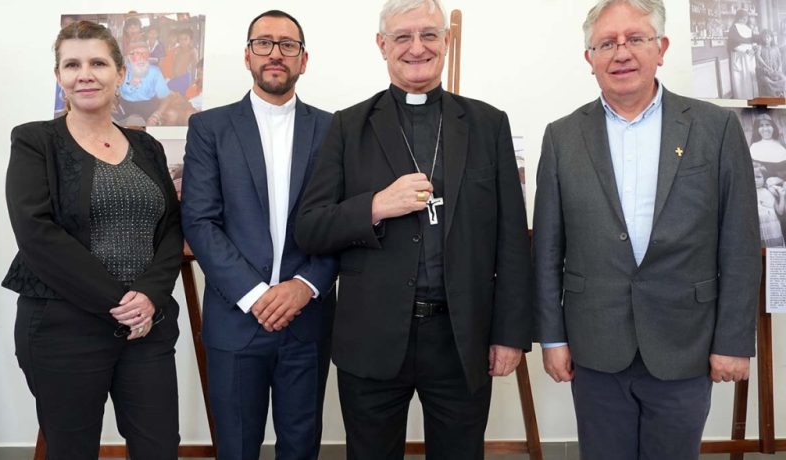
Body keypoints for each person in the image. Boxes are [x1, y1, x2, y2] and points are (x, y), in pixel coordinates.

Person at [295, 0, 532, 458]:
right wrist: (377, 206)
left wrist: (510, 333)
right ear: (382, 45)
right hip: (372, 337)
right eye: (402, 36)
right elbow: (310, 228)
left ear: (446, 42)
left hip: (462, 337)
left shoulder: (487, 124)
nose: (417, 47)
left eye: (429, 34)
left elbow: (511, 241)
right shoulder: (347, 126)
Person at [533, 1, 761, 459]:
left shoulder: (715, 129)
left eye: (635, 39)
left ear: (661, 47)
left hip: (685, 343)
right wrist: (552, 338)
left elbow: (739, 242)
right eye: (606, 43)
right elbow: (547, 249)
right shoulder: (561, 137)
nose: (621, 53)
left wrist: (733, 342)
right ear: (589, 59)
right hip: (595, 344)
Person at [3, 20, 182, 460]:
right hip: (63, 327)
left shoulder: (147, 147)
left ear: (120, 74)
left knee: (160, 448)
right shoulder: (34, 141)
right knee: (72, 450)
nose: (86, 73)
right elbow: (36, 234)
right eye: (73, 64)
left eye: (98, 62)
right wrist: (122, 301)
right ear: (59, 76)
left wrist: (150, 297)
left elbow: (172, 227)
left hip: (147, 327)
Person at [180, 10, 336, 460]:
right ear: (248, 55)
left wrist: (303, 286)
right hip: (235, 318)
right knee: (236, 446)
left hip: (306, 318)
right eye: (264, 43)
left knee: (301, 445)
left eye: (288, 45)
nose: (275, 54)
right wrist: (253, 295)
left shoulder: (334, 130)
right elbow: (200, 222)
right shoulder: (209, 128)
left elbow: (340, 223)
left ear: (303, 60)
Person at [118, 39, 170, 122]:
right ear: (130, 57)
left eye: (145, 54)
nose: (142, 58)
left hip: (148, 108)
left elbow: (166, 98)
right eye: (137, 54)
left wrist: (156, 115)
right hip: (125, 108)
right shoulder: (121, 71)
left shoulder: (155, 72)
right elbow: (111, 92)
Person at [728, 9, 758, 99]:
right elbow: (732, 44)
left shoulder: (748, 28)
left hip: (750, 56)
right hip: (740, 56)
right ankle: (743, 98)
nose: (745, 19)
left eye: (746, 17)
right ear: (739, 17)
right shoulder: (733, 28)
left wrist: (754, 47)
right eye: (743, 17)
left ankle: (753, 97)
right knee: (741, 78)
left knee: (750, 75)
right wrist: (745, 50)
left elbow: (753, 40)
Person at [755, 163, 786, 247]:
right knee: (761, 250)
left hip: (773, 226)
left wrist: (782, 196)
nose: (755, 180)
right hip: (759, 226)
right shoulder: (749, 192)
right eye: (753, 177)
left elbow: (780, 211)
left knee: (774, 248)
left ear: (764, 178)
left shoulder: (769, 191)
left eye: (758, 177)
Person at [749, 112, 786, 179]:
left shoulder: (782, 146)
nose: (765, 129)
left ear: (773, 127)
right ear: (757, 129)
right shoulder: (753, 148)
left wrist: (780, 180)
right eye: (761, 126)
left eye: (768, 125)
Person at [756, 29, 786, 97]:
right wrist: (766, 66)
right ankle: (774, 95)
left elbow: (779, 60)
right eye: (764, 37)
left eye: (768, 37)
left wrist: (779, 68)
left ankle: (779, 93)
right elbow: (758, 57)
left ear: (771, 38)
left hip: (775, 70)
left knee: (784, 79)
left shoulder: (775, 48)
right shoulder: (760, 47)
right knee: (767, 81)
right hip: (765, 71)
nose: (766, 39)